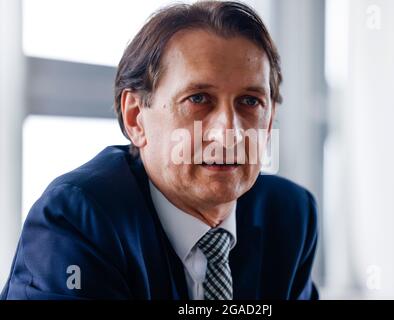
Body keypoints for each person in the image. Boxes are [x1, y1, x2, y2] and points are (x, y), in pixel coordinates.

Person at [1, 1, 318, 300]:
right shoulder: (76, 220)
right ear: (135, 117)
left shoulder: (290, 214)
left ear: (270, 121)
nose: (229, 132)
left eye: (250, 101)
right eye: (198, 98)